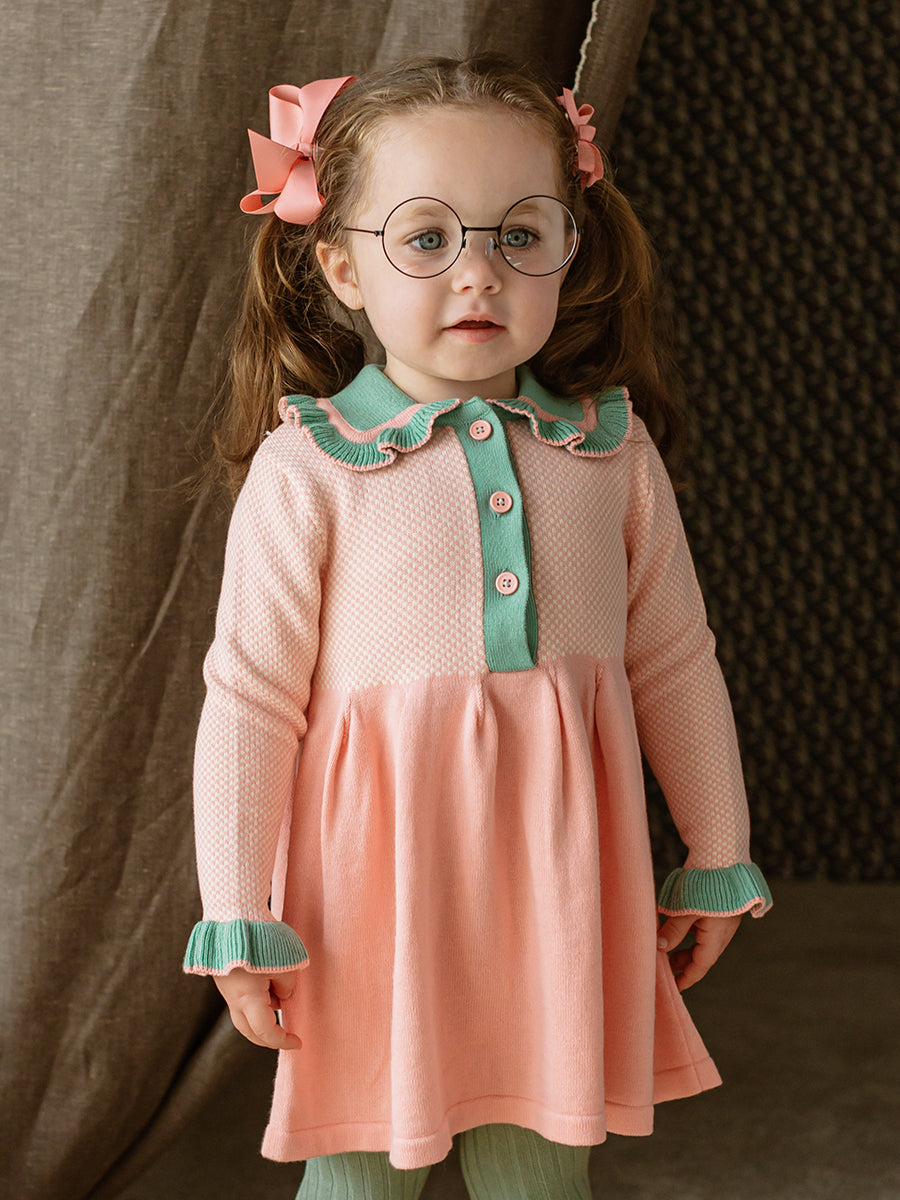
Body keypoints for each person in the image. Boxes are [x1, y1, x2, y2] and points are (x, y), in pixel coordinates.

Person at [183, 54, 772, 1200]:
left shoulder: (608, 452)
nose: (478, 273)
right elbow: (249, 699)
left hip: (561, 897)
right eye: (426, 237)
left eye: (520, 234)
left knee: (542, 1182)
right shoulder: (313, 469)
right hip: (371, 908)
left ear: (570, 248)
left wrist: (717, 850)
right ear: (342, 265)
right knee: (359, 1185)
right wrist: (238, 910)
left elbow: (675, 662)